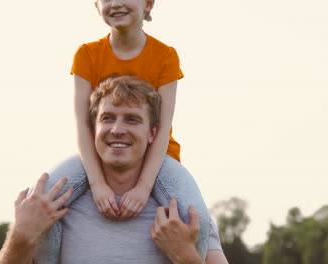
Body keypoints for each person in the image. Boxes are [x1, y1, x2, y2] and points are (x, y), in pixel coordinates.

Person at [0, 76, 228, 264]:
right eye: (107, 118)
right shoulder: (53, 207)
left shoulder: (179, 214)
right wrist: (20, 236)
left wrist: (186, 257)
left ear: (153, 134)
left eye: (132, 119)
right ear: (93, 130)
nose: (117, 129)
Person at [46, 0, 212, 259]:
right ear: (96, 5)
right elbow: (82, 125)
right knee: (44, 198)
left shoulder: (165, 56)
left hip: (158, 153)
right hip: (96, 152)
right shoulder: (86, 55)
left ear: (148, 4)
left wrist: (143, 187)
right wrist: (98, 184)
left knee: (197, 215)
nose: (116, 4)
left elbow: (163, 127)